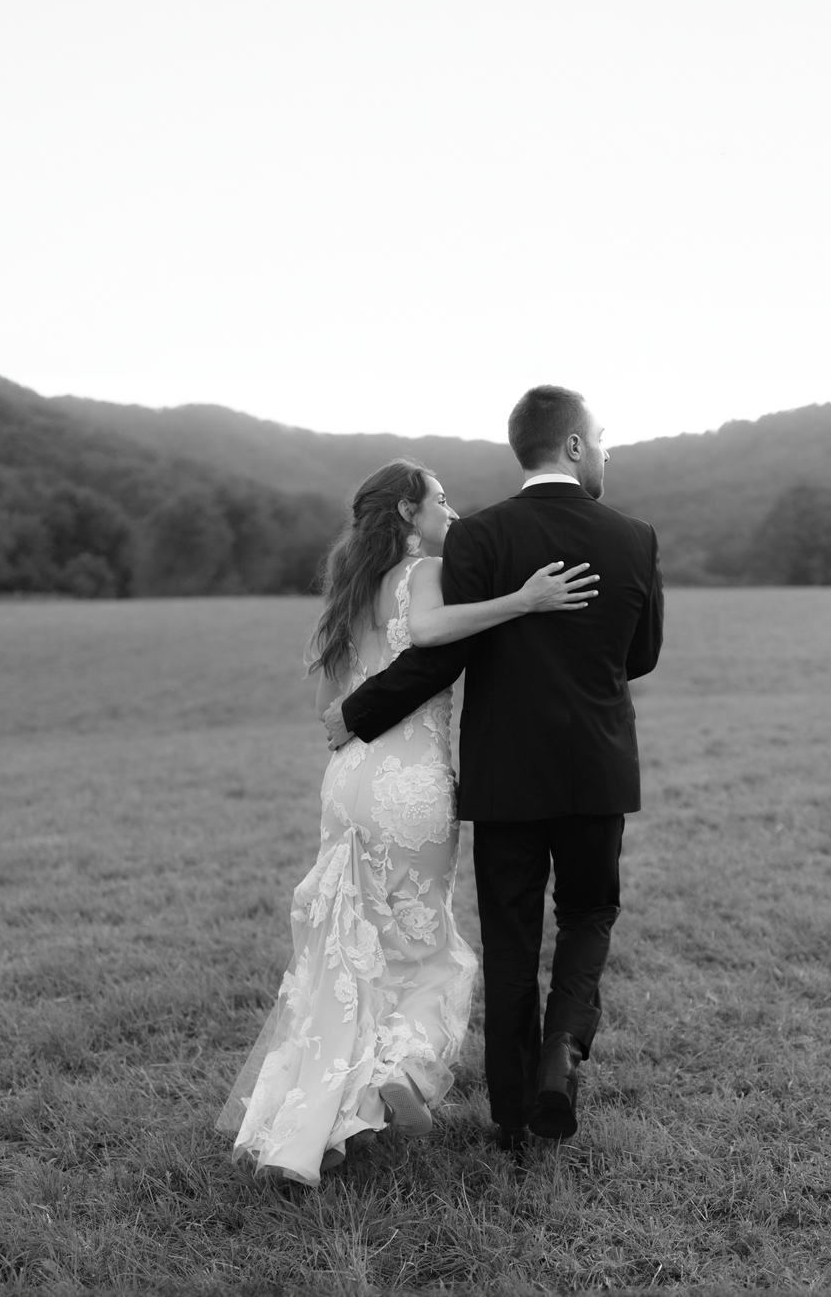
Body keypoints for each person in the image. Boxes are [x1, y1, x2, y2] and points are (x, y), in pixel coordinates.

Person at [216, 458, 598, 1186]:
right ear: (406, 516)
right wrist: (524, 599)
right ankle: (394, 1068)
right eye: (440, 502)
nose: (451, 515)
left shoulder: (348, 592)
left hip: (349, 782)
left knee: (347, 944)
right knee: (424, 945)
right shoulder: (422, 573)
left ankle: (316, 1108)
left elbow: (332, 710)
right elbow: (428, 632)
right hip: (413, 787)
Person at [330, 385, 665, 1153]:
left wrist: (355, 714)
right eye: (603, 439)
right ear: (574, 447)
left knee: (512, 942)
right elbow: (639, 656)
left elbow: (439, 654)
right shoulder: (635, 537)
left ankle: (514, 1115)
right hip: (595, 770)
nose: (607, 451)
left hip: (505, 776)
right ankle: (561, 1063)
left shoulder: (478, 538)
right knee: (588, 918)